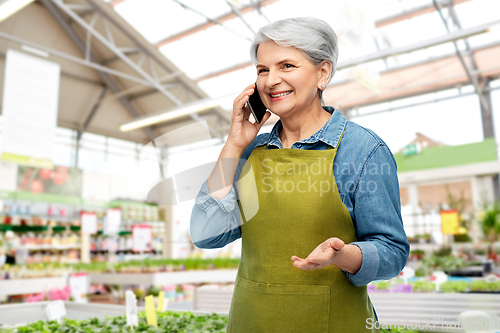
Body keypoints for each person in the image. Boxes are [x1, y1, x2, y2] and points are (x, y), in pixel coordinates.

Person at [190, 17, 409, 333]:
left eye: (287, 66)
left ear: (323, 73)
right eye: (262, 70)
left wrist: (343, 255)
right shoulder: (252, 153)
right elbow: (205, 233)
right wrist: (234, 144)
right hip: (251, 322)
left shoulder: (363, 150)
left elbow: (393, 251)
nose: (270, 80)